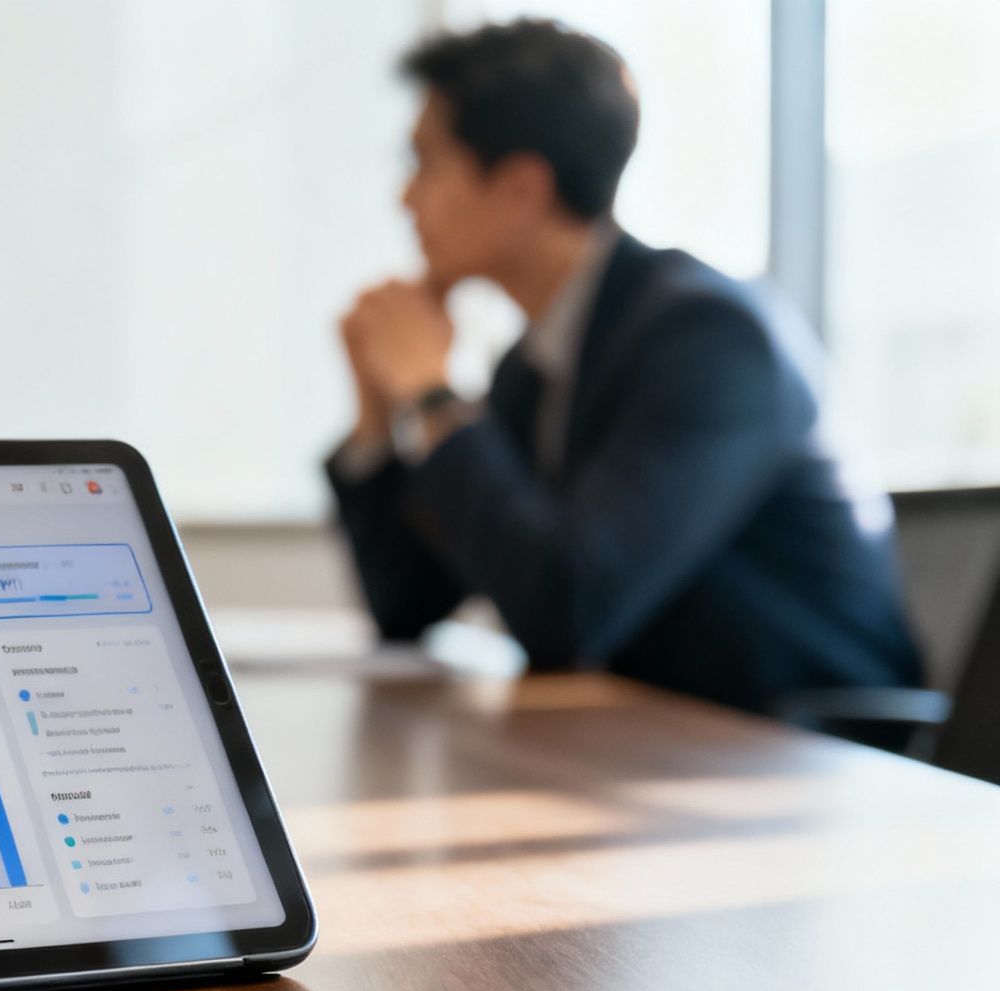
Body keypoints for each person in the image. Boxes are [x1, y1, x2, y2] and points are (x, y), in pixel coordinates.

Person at [328, 20, 921, 714]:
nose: (406, 200)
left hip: (801, 755)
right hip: (652, 740)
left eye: (425, 165)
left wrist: (433, 396)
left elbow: (569, 611)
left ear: (521, 188)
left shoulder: (708, 338)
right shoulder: (533, 365)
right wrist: (379, 414)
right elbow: (409, 605)